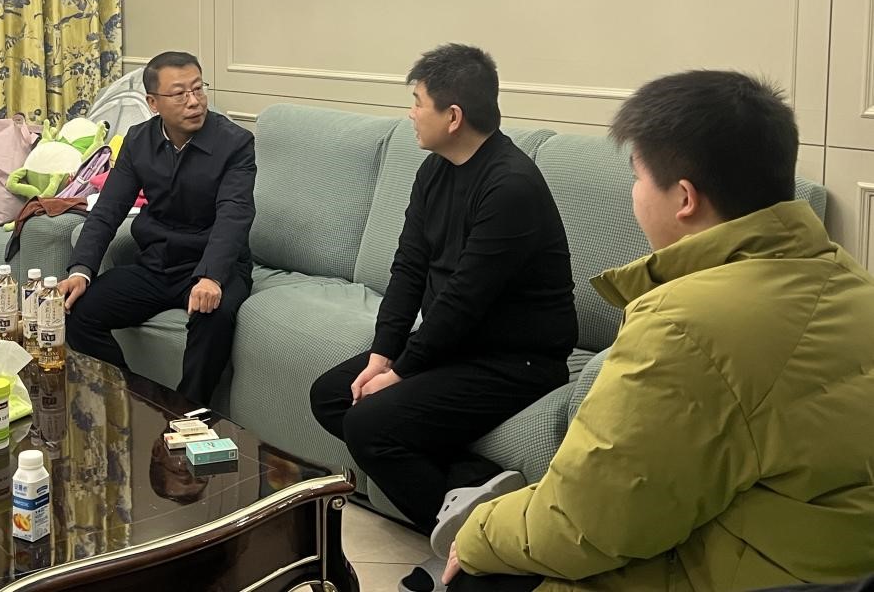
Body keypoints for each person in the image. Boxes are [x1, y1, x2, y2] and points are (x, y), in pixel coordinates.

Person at [446, 71, 874, 591]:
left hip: (754, 576)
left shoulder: (683, 324)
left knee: (481, 573)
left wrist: (477, 532)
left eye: (638, 178)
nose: (635, 195)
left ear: (685, 198)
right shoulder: (853, 282)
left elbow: (587, 524)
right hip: (829, 565)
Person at [308, 44, 577, 591]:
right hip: (457, 346)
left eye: (418, 102)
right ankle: (473, 491)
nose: (410, 113)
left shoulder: (510, 186)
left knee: (369, 423)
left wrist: (403, 372)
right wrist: (383, 355)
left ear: (453, 116)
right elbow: (409, 267)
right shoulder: (435, 170)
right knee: (334, 395)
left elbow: (464, 299)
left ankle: (478, 554)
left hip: (516, 361)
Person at [59, 51, 256, 405]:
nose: (194, 101)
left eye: (198, 89)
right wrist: (81, 270)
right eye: (179, 94)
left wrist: (211, 276)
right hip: (158, 263)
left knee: (214, 316)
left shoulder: (235, 143)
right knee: (79, 312)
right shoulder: (139, 141)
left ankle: (186, 413)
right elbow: (108, 210)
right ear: (153, 103)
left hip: (214, 266)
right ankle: (136, 401)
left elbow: (234, 213)